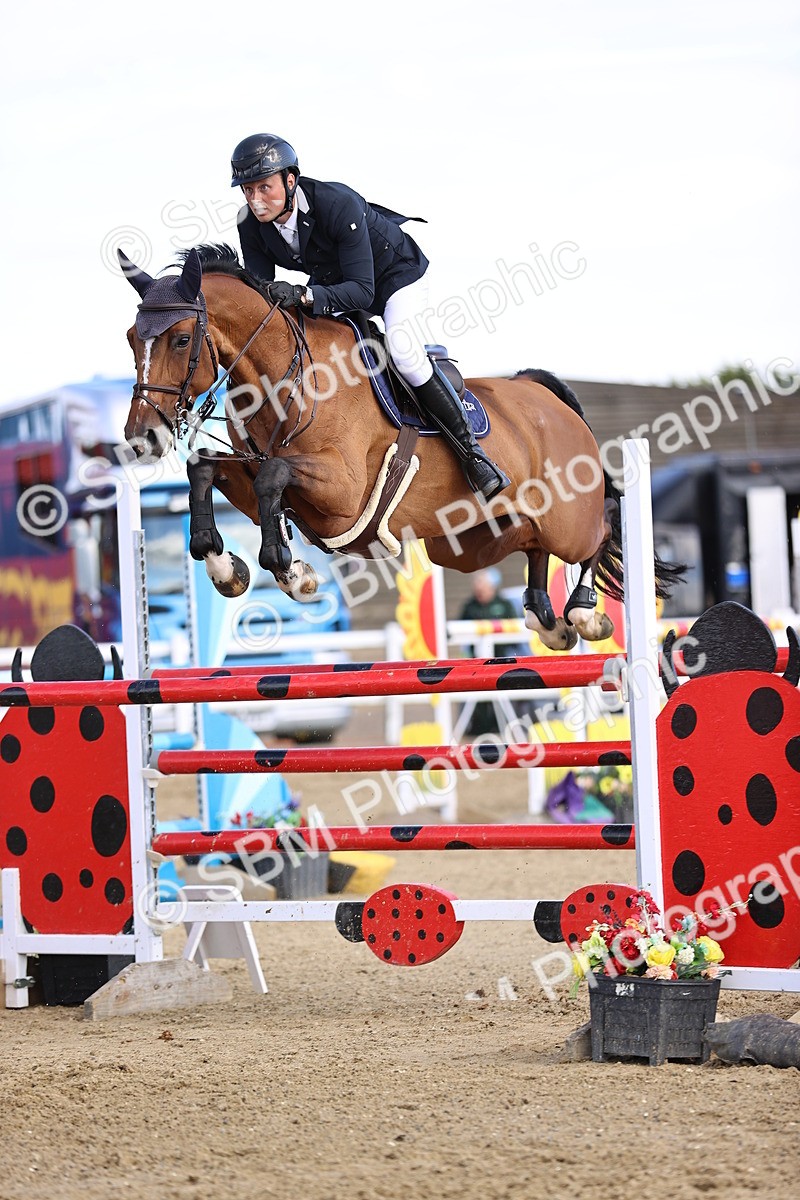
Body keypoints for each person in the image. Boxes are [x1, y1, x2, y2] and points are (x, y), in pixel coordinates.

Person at [229, 132, 510, 500]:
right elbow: (264, 298)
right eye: (248, 190)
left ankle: (473, 455)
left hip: (394, 276)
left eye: (264, 188)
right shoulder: (249, 224)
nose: (255, 200)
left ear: (290, 179)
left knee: (404, 352)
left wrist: (303, 294)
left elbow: (363, 291)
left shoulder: (337, 204)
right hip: (335, 279)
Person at [458, 568, 526, 736]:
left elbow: (516, 635)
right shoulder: (469, 607)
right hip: (476, 663)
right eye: (477, 583)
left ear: (492, 586)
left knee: (506, 695)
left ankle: (506, 728)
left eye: (482, 583)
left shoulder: (504, 605)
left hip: (502, 661)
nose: (478, 587)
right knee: (477, 697)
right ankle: (478, 730)